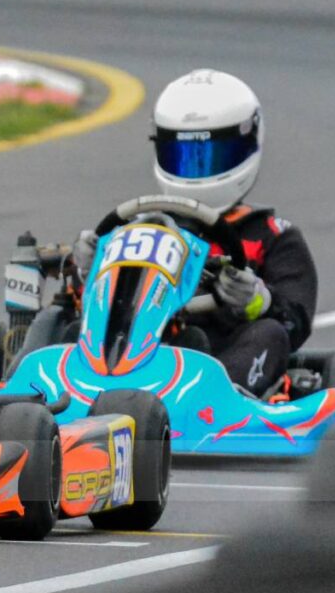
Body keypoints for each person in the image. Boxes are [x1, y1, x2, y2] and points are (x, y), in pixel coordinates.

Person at [73, 69, 316, 394]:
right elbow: (98, 306)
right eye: (183, 157)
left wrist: (258, 300)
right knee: (60, 320)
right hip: (132, 350)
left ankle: (217, 399)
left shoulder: (271, 236)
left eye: (212, 156)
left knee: (270, 333)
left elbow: (294, 323)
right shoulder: (140, 226)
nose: (197, 171)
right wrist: (86, 270)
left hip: (217, 358)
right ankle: (29, 391)